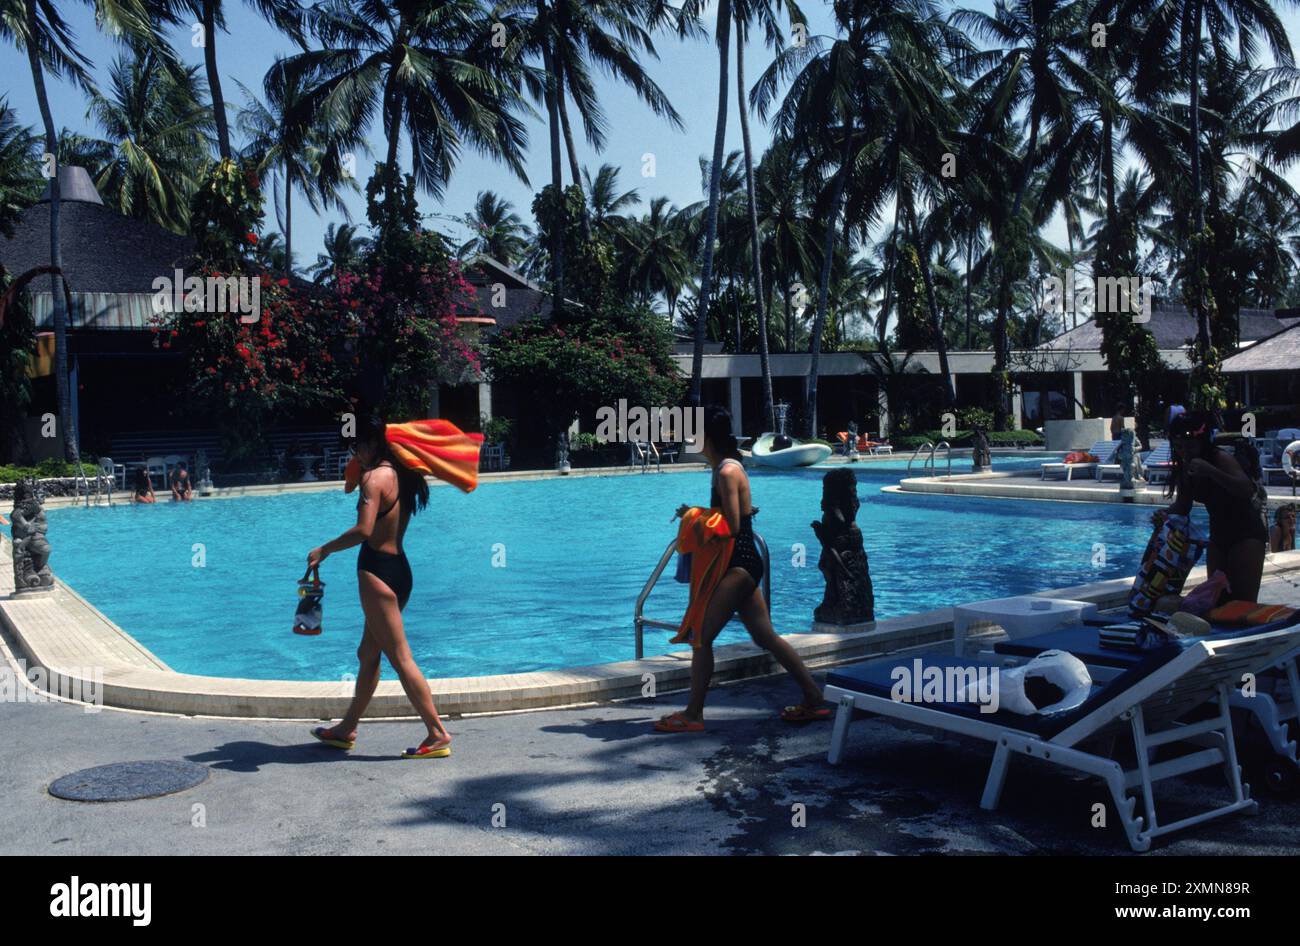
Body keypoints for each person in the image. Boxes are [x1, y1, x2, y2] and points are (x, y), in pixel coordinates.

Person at [656, 405, 827, 732]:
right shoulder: (722, 468)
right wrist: (702, 511)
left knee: (701, 637)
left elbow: (732, 525)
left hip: (740, 562)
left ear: (706, 437)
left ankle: (693, 715)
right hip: (743, 562)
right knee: (766, 637)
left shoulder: (725, 471)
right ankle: (813, 697)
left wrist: (693, 515)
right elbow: (739, 511)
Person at [307, 412, 452, 759]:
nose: (355, 452)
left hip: (377, 575)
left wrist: (324, 549)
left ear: (373, 444)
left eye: (358, 445)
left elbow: (364, 530)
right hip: (400, 570)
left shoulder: (374, 478)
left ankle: (437, 733)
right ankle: (346, 729)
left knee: (401, 658)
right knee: (368, 654)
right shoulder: (403, 474)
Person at [1153, 411, 1267, 606]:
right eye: (1179, 447)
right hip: (1218, 537)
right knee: (1217, 601)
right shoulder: (1186, 466)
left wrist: (1210, 471)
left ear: (1202, 443)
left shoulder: (1220, 458)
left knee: (1242, 604)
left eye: (1189, 446)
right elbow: (1183, 505)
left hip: (1247, 533)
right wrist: (1164, 516)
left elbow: (1246, 489)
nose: (1184, 452)